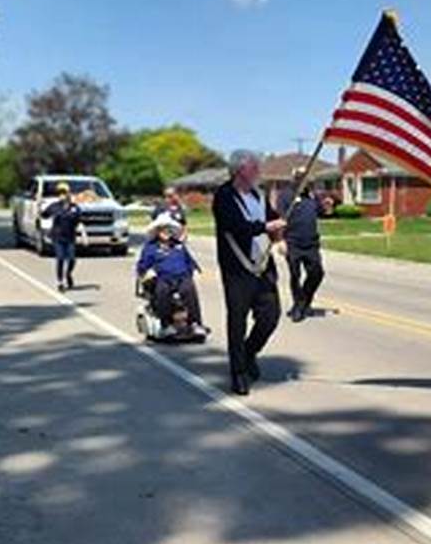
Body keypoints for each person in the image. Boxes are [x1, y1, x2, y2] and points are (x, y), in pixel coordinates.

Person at [212, 150, 286, 395]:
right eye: (255, 167)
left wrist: (278, 227)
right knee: (237, 321)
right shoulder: (224, 196)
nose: (259, 171)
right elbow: (234, 226)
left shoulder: (258, 194)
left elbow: (273, 219)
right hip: (238, 270)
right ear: (241, 170)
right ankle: (238, 373)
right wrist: (265, 227)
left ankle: (248, 352)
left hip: (263, 267)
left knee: (270, 316)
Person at [136, 216, 203, 328]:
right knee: (163, 292)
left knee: (189, 290)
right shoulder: (150, 248)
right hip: (161, 278)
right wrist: (146, 272)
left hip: (182, 277)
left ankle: (195, 323)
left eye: (168, 229)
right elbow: (142, 265)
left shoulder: (178, 246)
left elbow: (189, 261)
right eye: (163, 229)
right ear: (157, 231)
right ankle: (165, 324)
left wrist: (195, 270)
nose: (166, 232)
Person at [284, 174, 327, 322]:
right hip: (293, 243)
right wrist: (280, 241)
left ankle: (303, 301)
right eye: (301, 178)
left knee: (317, 273)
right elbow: (280, 216)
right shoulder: (286, 196)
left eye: (307, 179)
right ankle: (298, 306)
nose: (305, 182)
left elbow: (322, 212)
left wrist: (324, 203)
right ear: (295, 180)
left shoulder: (311, 198)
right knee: (295, 275)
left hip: (311, 244)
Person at [42, 182, 83, 291]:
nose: (62, 195)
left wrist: (84, 235)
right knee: (60, 258)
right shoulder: (54, 206)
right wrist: (39, 208)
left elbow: (79, 222)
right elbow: (44, 215)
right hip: (57, 237)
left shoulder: (74, 208)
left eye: (64, 193)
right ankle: (60, 282)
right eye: (60, 193)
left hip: (70, 237)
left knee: (72, 259)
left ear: (69, 194)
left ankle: (68, 274)